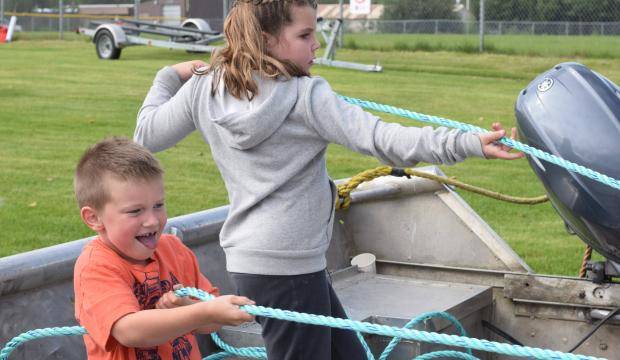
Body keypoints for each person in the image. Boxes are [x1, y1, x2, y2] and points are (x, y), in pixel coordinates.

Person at [134, 1, 524, 358]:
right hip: (289, 269)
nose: (316, 44)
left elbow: (146, 133)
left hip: (263, 263)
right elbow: (385, 140)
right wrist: (470, 143)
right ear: (267, 40)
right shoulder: (306, 96)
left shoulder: (205, 87)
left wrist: (169, 75)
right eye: (304, 35)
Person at [73, 137, 255, 360]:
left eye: (158, 205)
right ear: (94, 218)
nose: (152, 221)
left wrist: (190, 307)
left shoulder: (173, 250)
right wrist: (201, 311)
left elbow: (213, 322)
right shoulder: (96, 266)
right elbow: (128, 330)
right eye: (135, 211)